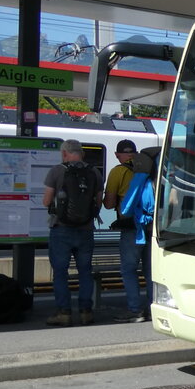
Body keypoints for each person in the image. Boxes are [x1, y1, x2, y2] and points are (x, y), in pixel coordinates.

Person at [41, 139, 102, 326]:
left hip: (61, 230)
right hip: (85, 230)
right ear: (81, 153)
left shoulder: (56, 171)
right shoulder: (94, 172)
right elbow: (98, 202)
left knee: (60, 272)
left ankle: (64, 313)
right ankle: (86, 312)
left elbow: (46, 201)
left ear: (64, 153)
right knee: (85, 272)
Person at [104, 139, 150, 322]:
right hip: (150, 225)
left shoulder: (118, 171)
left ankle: (135, 309)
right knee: (150, 271)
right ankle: (154, 307)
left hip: (131, 227)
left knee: (129, 270)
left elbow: (108, 204)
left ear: (117, 155)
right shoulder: (148, 171)